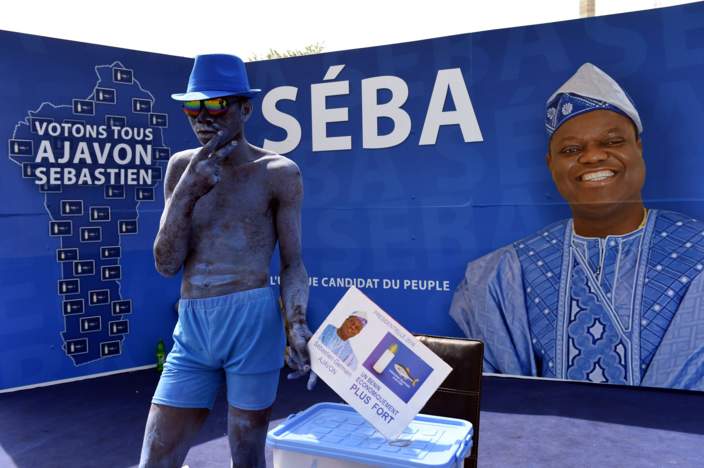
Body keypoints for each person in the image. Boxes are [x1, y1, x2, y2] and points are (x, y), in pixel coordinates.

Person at [450, 63, 704, 391]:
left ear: (638, 149)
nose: (593, 157)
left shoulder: (697, 250)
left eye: (612, 142)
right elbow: (496, 397)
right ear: (551, 164)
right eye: (571, 150)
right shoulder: (505, 274)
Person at [139, 54, 315, 468]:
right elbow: (166, 264)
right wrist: (187, 192)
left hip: (252, 323)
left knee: (248, 455)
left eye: (217, 105)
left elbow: (293, 264)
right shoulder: (181, 168)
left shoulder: (277, 172)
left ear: (245, 108)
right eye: (193, 108)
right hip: (194, 325)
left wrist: (297, 322)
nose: (204, 119)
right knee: (155, 459)